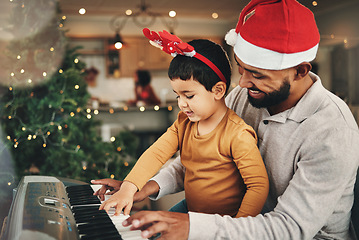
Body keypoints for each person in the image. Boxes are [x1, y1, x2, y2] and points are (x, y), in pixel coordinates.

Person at [108, 0, 358, 239]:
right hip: (233, 223)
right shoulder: (244, 95)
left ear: (301, 70)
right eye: (241, 68)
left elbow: (289, 228)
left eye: (257, 75)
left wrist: (194, 227)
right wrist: (142, 186)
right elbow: (200, 161)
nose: (242, 83)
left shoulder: (333, 132)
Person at [94, 30, 269, 220]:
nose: (181, 103)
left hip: (224, 220)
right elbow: (157, 153)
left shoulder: (237, 134)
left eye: (189, 95)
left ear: (218, 90)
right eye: (178, 95)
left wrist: (237, 228)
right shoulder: (183, 123)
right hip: (191, 210)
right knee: (150, 231)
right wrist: (129, 187)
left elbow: (258, 186)